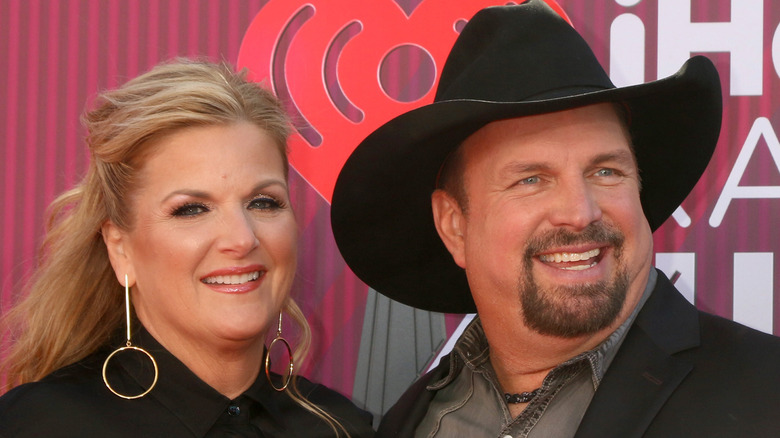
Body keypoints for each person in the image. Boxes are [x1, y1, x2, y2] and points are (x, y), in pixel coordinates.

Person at [330, 1, 780, 437]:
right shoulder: (411, 422)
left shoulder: (766, 394)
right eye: (531, 179)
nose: (580, 212)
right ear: (454, 224)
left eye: (606, 171)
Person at [0, 59, 375, 437]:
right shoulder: (40, 425)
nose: (242, 238)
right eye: (191, 209)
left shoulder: (341, 427)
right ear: (120, 249)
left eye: (263, 202)